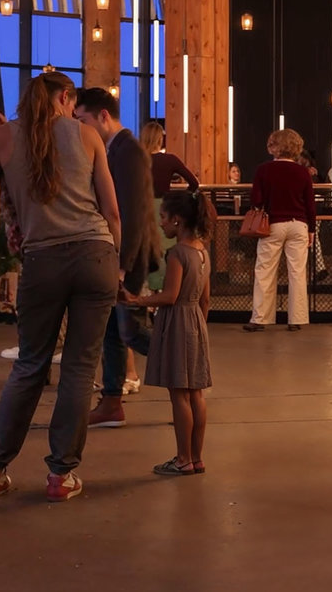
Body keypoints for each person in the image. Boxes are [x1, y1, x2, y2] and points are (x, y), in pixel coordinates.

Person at [0, 72, 122, 504]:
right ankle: (61, 475)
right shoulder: (87, 135)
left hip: (42, 260)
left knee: (30, 365)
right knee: (79, 367)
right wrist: (115, 264)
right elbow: (111, 211)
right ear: (65, 97)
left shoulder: (0, 138)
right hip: (95, 253)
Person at [74, 87, 159, 431]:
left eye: (83, 120)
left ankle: (188, 369)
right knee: (113, 331)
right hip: (118, 255)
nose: (80, 128)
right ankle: (111, 403)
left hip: (128, 258)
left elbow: (133, 212)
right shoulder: (117, 149)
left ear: (103, 116)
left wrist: (123, 266)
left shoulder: (128, 151)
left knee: (132, 331)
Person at [129, 191, 213, 476]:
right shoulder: (202, 252)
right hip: (196, 322)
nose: (161, 223)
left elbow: (170, 296)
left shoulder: (177, 253)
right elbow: (205, 299)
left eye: (163, 217)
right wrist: (199, 328)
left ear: (177, 220)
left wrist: (138, 300)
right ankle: (197, 458)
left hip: (177, 322)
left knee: (179, 395)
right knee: (196, 393)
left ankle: (182, 458)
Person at [247, 128, 315, 330]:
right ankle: (296, 319)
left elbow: (256, 200)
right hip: (299, 224)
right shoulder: (303, 172)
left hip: (273, 224)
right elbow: (310, 204)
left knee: (265, 271)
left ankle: (260, 319)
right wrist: (311, 230)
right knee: (297, 273)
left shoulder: (263, 170)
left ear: (274, 147)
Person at [143, 119, 201, 194]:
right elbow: (194, 183)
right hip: (164, 201)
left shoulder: (136, 160)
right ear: (160, 140)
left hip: (141, 201)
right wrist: (180, 197)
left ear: (144, 139)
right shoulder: (170, 159)